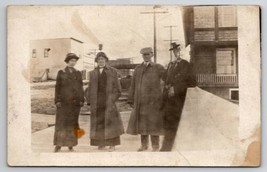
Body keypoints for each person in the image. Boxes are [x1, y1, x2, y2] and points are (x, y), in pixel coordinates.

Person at [126, 47, 166, 152]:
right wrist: (131, 99)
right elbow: (133, 84)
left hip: (154, 102)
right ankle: (144, 146)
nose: (146, 56)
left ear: (152, 55)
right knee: (142, 124)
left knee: (154, 125)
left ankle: (155, 146)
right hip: (141, 102)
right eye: (144, 55)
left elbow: (167, 80)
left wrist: (164, 97)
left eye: (148, 54)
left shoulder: (158, 67)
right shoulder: (138, 69)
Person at [87, 52, 124, 152]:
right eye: (99, 59)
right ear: (96, 61)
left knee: (111, 124)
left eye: (102, 59)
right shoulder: (92, 73)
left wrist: (112, 100)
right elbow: (90, 88)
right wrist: (89, 101)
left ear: (106, 60)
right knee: (99, 123)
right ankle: (101, 143)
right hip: (97, 103)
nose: (101, 61)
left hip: (109, 103)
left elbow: (118, 90)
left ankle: (112, 145)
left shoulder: (113, 72)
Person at [160, 43, 193, 151]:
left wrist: (175, 89)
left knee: (176, 125)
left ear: (182, 51)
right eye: (174, 51)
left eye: (178, 50)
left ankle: (170, 148)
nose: (176, 52)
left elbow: (190, 82)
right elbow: (166, 78)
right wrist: (166, 86)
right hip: (169, 100)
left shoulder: (185, 65)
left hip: (179, 100)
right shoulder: (170, 64)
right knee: (168, 124)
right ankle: (167, 147)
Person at [54, 53, 84, 152]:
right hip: (63, 103)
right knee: (61, 123)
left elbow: (80, 87)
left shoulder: (78, 73)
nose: (73, 63)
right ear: (67, 61)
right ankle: (58, 144)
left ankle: (71, 144)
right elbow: (57, 87)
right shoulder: (61, 72)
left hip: (74, 104)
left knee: (72, 123)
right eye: (71, 61)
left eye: (75, 61)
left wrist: (81, 100)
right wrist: (57, 100)